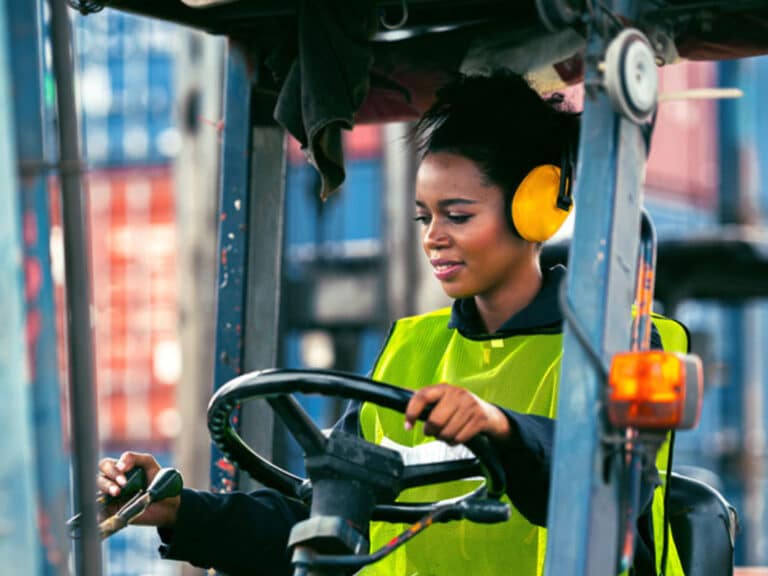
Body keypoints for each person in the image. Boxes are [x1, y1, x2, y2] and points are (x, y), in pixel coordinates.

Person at [98, 72, 686, 576]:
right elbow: (327, 522)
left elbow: (613, 493)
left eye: (458, 215)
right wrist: (182, 512)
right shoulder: (413, 347)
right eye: (424, 215)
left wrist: (503, 429)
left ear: (535, 207)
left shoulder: (619, 343)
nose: (433, 236)